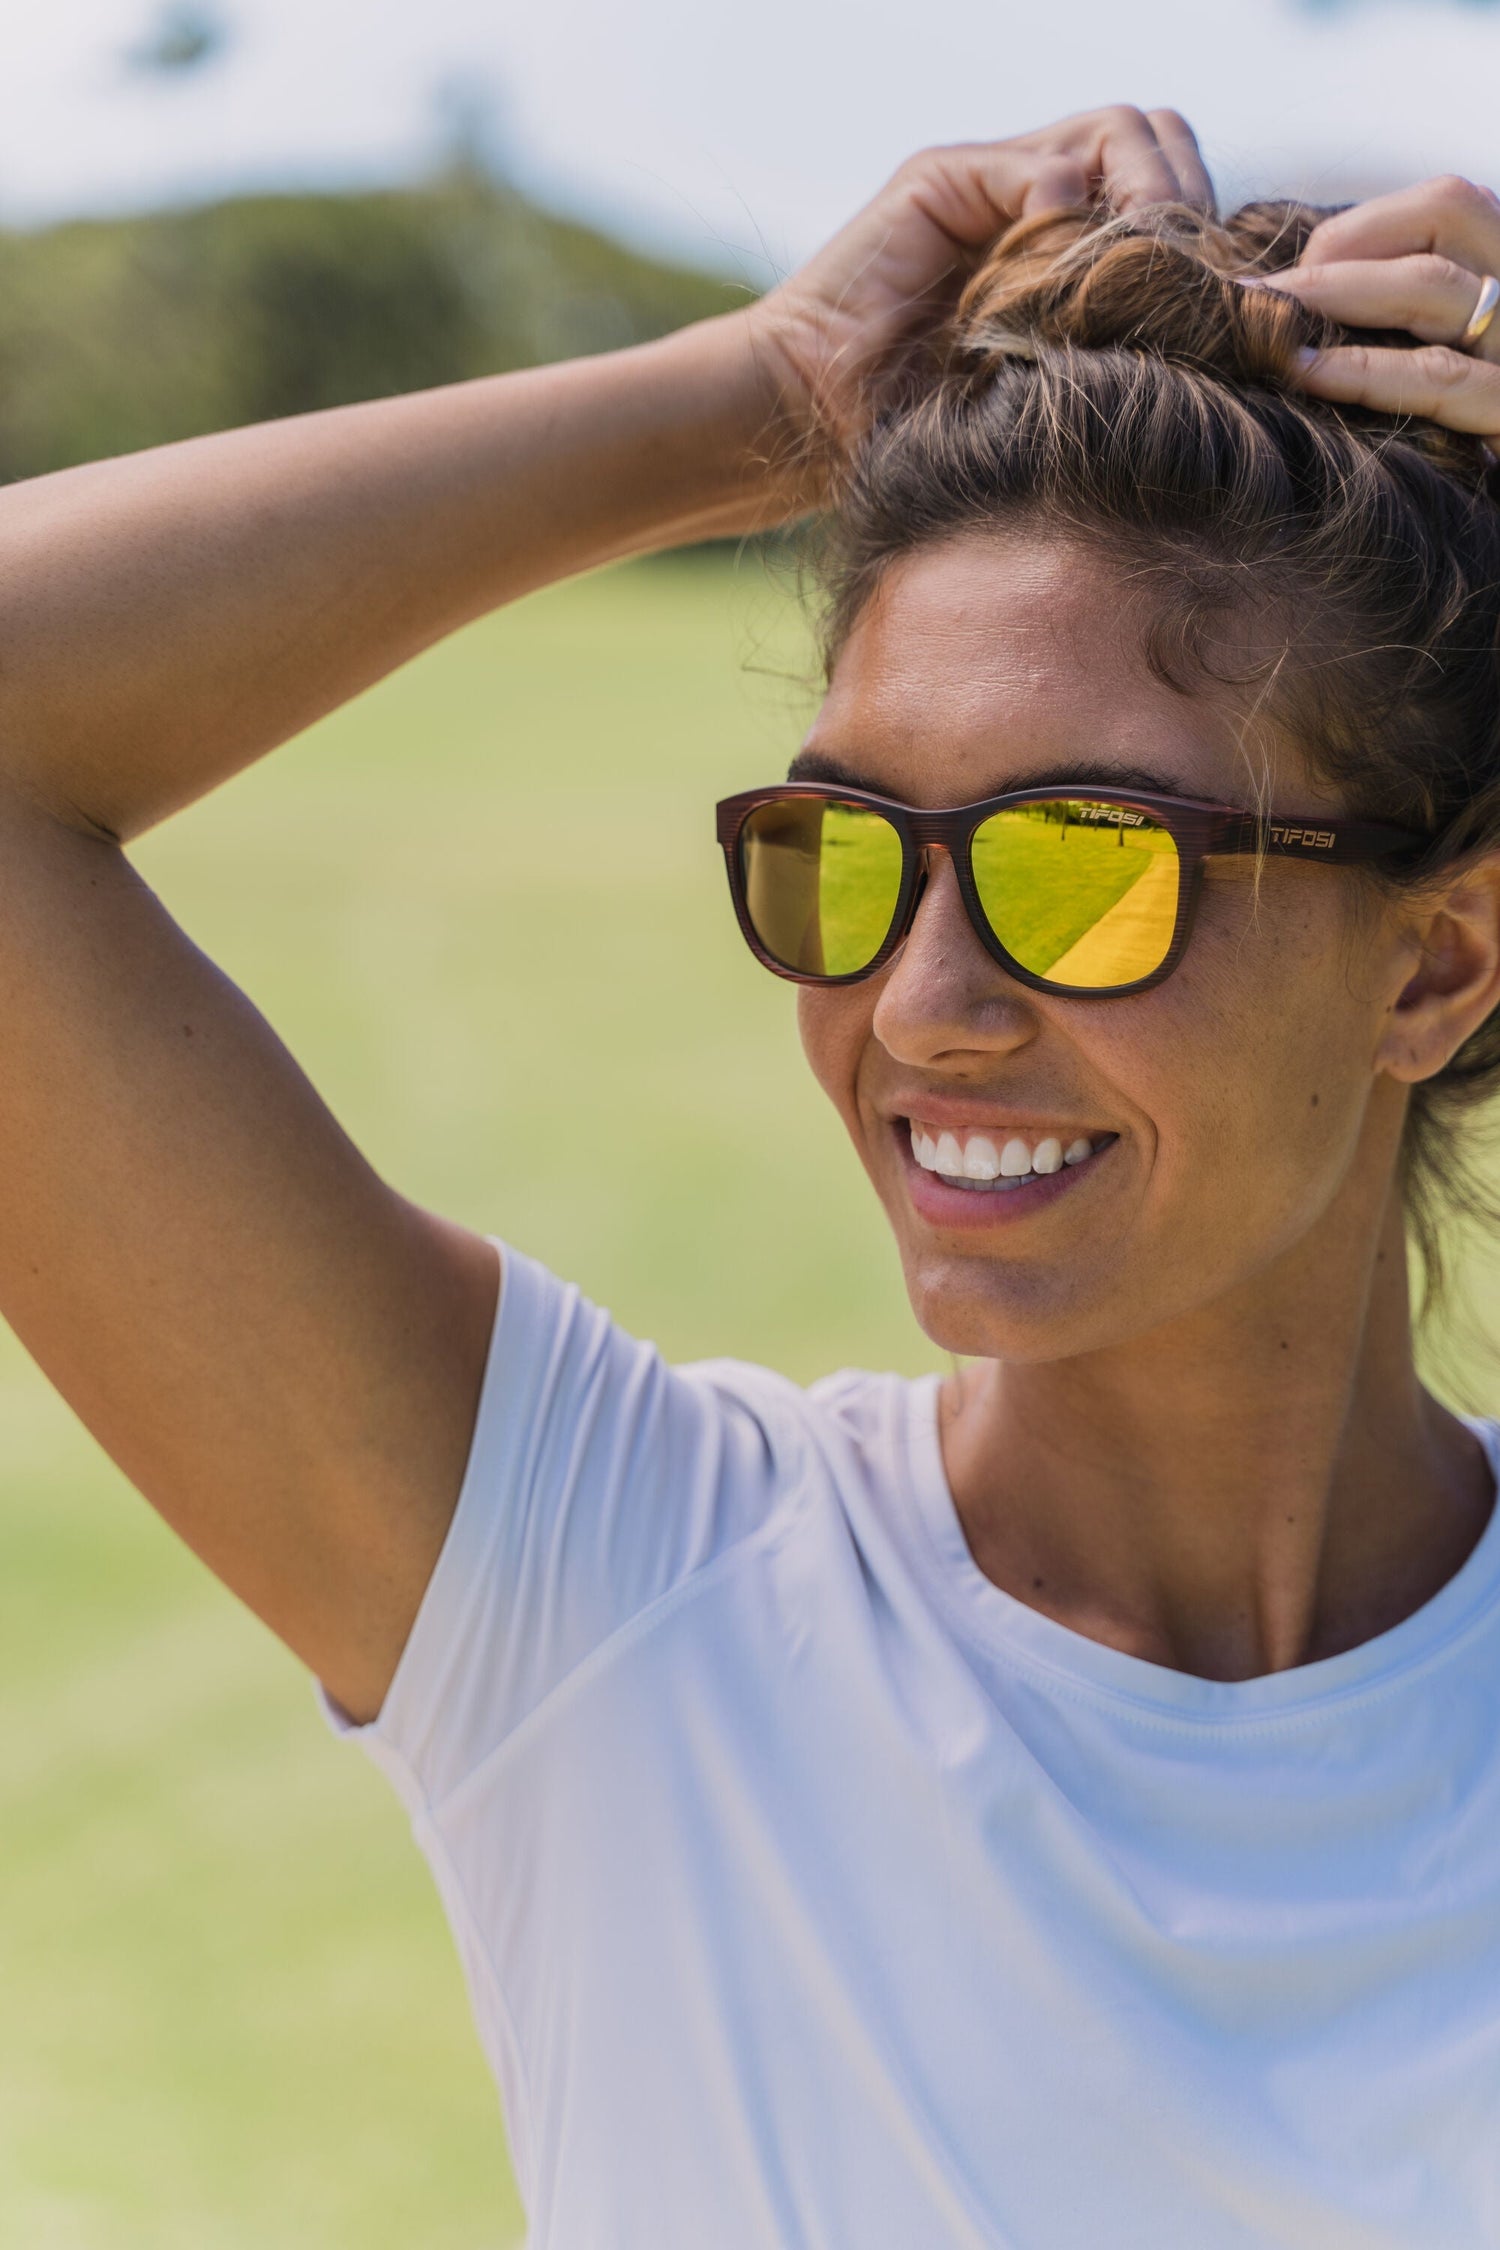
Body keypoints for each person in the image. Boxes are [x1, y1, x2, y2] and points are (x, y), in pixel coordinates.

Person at [3, 102, 1500, 2247]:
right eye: (850, 852)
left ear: (1435, 965)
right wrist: (760, 395)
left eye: (1088, 866)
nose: (925, 1005)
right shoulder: (616, 1603)